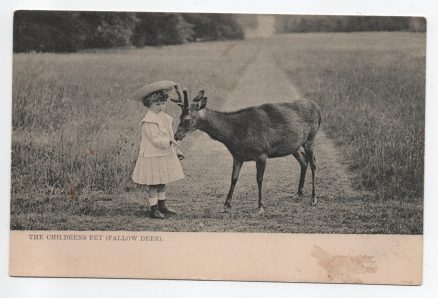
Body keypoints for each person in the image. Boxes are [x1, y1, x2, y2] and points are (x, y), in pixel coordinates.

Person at [132, 81, 185, 219]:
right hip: (152, 155)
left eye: (163, 103)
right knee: (154, 183)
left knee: (162, 181)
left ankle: (162, 205)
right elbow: (155, 139)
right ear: (149, 104)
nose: (161, 106)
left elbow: (169, 135)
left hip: (163, 154)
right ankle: (153, 209)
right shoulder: (149, 121)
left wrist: (175, 149)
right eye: (158, 104)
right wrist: (168, 142)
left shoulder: (165, 118)